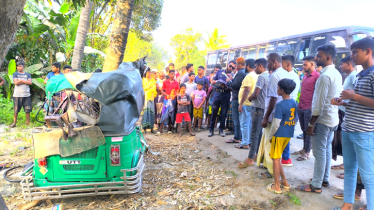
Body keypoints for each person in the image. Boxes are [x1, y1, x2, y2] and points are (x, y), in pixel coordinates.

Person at [330, 38, 374, 210]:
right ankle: (346, 206)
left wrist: (354, 97)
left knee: (368, 175)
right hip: (349, 129)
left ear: (368, 51)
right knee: (349, 169)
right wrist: (344, 103)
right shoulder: (359, 75)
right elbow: (362, 102)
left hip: (364, 133)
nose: (352, 56)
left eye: (355, 52)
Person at [296, 44, 342, 194]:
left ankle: (316, 185)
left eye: (319, 56)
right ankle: (324, 179)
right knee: (326, 150)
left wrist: (311, 124)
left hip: (322, 120)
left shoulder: (325, 76)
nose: (316, 58)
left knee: (319, 153)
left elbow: (318, 103)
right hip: (332, 119)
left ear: (328, 58)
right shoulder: (337, 73)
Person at [257, 53, 292, 178]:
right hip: (284, 114)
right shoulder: (286, 74)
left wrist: (266, 117)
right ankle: (268, 166)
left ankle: (271, 171)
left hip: (273, 115)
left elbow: (273, 98)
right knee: (274, 143)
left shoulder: (274, 76)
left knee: (269, 143)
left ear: (273, 62)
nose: (267, 65)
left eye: (267, 63)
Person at [266, 78, 296, 194]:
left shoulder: (280, 105)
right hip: (288, 134)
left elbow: (275, 124)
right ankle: (284, 182)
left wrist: (270, 136)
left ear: (281, 90)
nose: (277, 89)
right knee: (278, 158)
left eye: (278, 88)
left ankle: (277, 186)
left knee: (275, 159)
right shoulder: (293, 102)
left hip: (279, 135)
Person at [238, 58, 269, 168]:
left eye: (255, 67)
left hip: (258, 109)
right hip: (264, 108)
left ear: (260, 66)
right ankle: (257, 155)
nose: (254, 69)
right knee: (259, 134)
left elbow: (255, 94)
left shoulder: (261, 77)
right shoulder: (269, 76)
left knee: (254, 134)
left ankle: (250, 158)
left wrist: (249, 99)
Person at [330, 56, 358, 178]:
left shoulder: (354, 75)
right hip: (344, 110)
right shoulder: (349, 76)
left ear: (348, 64)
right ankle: (345, 164)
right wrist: (341, 101)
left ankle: (349, 168)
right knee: (342, 141)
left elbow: (355, 95)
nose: (340, 67)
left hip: (349, 113)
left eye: (342, 64)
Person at [293, 55, 320, 161]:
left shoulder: (317, 76)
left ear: (312, 64)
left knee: (309, 131)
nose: (303, 66)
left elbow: (317, 94)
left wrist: (312, 107)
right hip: (301, 106)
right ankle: (304, 148)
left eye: (305, 64)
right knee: (304, 130)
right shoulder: (305, 76)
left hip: (309, 108)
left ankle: (307, 152)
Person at [280, 55, 301, 166]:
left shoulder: (291, 76)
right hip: (290, 105)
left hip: (288, 106)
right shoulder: (293, 76)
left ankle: (286, 157)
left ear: (288, 64)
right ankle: (285, 157)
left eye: (282, 63)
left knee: (285, 133)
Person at [234, 59, 258, 149]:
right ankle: (249, 141)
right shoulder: (256, 75)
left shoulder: (249, 76)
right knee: (249, 124)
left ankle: (244, 143)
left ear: (247, 66)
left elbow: (247, 89)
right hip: (252, 104)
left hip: (246, 103)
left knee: (244, 124)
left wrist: (241, 104)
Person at [225, 59, 246, 142]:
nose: (235, 66)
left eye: (236, 64)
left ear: (240, 64)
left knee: (236, 118)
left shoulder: (241, 72)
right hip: (241, 98)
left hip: (236, 98)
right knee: (241, 119)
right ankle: (240, 136)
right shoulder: (245, 72)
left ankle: (237, 137)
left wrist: (229, 81)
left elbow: (235, 85)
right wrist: (232, 79)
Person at [208, 64, 231, 137]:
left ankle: (221, 130)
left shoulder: (232, 75)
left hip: (226, 94)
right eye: (230, 66)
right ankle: (211, 129)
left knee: (223, 113)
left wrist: (226, 87)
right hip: (217, 93)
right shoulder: (219, 72)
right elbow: (212, 81)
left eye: (233, 67)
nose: (231, 68)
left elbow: (233, 87)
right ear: (227, 65)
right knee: (214, 111)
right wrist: (214, 82)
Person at [10, 62, 32, 128]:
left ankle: (28, 123)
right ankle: (14, 123)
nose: (19, 67)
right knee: (16, 110)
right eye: (18, 66)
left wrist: (21, 80)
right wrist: (25, 82)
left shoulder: (28, 74)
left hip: (26, 94)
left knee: (27, 110)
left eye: (20, 66)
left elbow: (30, 82)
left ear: (23, 67)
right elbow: (16, 83)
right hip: (17, 95)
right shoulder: (15, 74)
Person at [141, 69, 157, 133]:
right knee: (145, 113)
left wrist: (148, 88)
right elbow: (143, 88)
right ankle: (144, 128)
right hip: (145, 98)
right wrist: (149, 87)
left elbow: (154, 88)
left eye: (149, 72)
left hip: (151, 98)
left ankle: (151, 128)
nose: (148, 74)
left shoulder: (153, 80)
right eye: (147, 72)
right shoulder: (143, 80)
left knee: (151, 113)